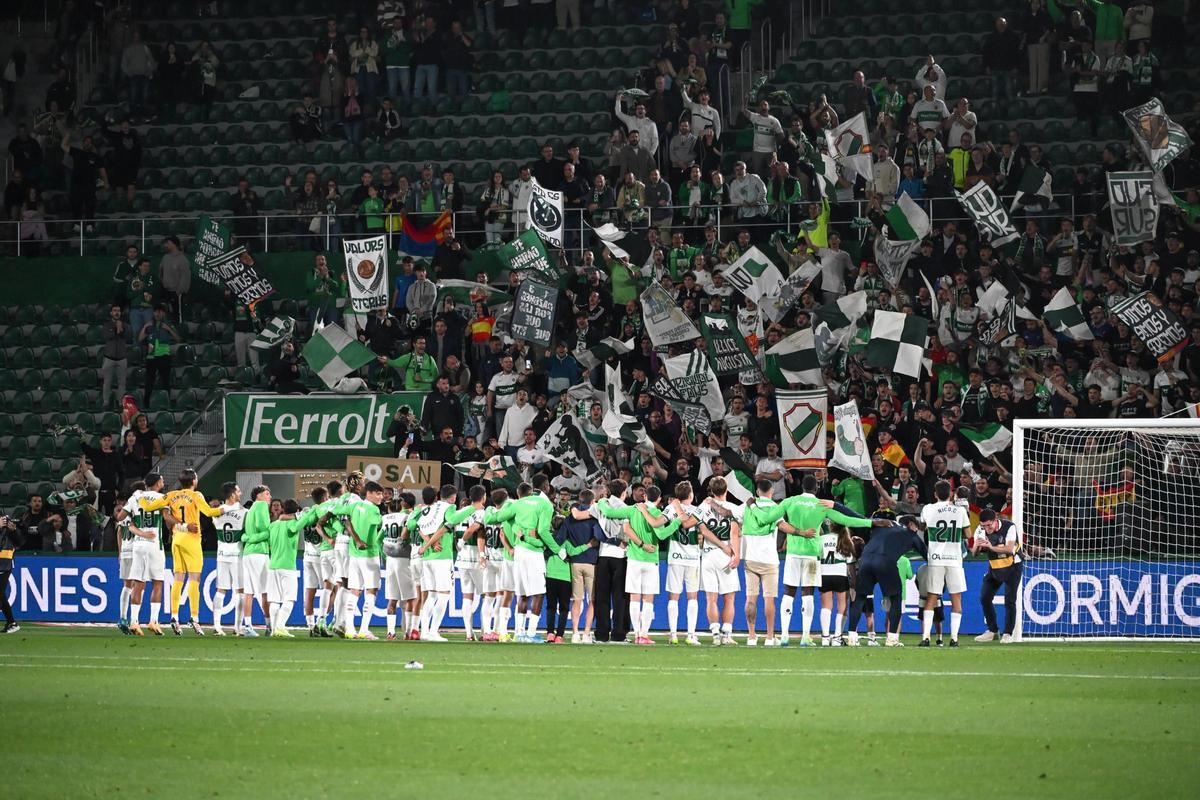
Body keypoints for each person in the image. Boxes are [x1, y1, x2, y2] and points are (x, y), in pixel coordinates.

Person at [138, 468, 222, 636]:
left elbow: (147, 507)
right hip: (191, 540)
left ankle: (174, 617)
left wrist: (139, 496)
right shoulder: (196, 495)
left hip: (177, 539)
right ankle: (194, 618)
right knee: (194, 580)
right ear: (194, 481)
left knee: (178, 579)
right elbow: (209, 512)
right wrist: (227, 509)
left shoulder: (171, 495)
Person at [599, 485, 683, 645]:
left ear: (645, 496)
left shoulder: (632, 509)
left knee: (635, 598)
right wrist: (677, 521)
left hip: (633, 559)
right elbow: (662, 534)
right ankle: (644, 635)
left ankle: (637, 634)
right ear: (659, 499)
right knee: (648, 600)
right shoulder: (657, 513)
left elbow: (609, 513)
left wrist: (603, 500)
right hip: (650, 560)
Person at [845, 510, 928, 647]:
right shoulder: (910, 534)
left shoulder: (880, 525)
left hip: (865, 561)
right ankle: (892, 638)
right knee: (896, 598)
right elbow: (927, 554)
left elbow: (856, 517)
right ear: (911, 524)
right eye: (916, 526)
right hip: (886, 562)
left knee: (859, 597)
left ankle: (852, 637)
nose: (917, 529)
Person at [918, 479, 971, 647]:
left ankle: (926, 637)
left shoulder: (928, 508)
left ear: (935, 494)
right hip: (954, 559)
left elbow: (922, 526)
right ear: (951, 494)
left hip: (936, 559)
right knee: (956, 599)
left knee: (932, 597)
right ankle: (954, 639)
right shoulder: (960, 510)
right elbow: (968, 535)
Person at [126, 473, 171, 636]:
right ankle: (153, 621)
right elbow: (166, 518)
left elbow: (122, 517)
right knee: (157, 583)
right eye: (162, 480)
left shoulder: (136, 497)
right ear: (158, 483)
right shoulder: (162, 498)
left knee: (138, 583)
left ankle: (134, 621)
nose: (163, 482)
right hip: (154, 545)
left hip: (138, 544)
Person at [341, 481, 386, 640]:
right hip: (369, 554)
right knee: (371, 591)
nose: (381, 497)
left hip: (354, 555)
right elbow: (377, 526)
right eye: (378, 493)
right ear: (369, 493)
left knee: (354, 591)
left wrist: (356, 539)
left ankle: (349, 628)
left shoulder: (354, 506)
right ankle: (364, 629)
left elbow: (342, 517)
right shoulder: (374, 509)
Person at [974, 508, 1023, 643]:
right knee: (985, 597)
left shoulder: (1009, 527)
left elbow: (1009, 549)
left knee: (1010, 600)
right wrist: (977, 546)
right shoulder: (980, 530)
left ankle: (1008, 634)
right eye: (983, 526)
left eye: (989, 525)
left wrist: (990, 547)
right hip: (995, 566)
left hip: (1013, 566)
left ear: (996, 520)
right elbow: (974, 554)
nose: (987, 529)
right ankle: (993, 631)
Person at [238, 485, 274, 637]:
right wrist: (266, 532)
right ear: (258, 496)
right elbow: (265, 529)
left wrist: (247, 538)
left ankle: (248, 626)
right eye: (267, 494)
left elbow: (246, 533)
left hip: (247, 554)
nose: (269, 497)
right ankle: (269, 626)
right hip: (259, 553)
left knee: (249, 592)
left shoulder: (251, 509)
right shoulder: (261, 506)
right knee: (265, 591)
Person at [212, 482, 246, 636]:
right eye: (238, 491)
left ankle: (217, 625)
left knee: (221, 590)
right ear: (232, 495)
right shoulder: (244, 512)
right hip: (237, 555)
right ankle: (237, 627)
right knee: (240, 591)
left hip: (221, 554)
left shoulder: (216, 512)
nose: (240, 493)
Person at [381, 492, 415, 641]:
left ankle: (391, 632)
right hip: (404, 559)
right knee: (410, 598)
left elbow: (379, 539)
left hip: (390, 559)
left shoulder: (385, 518)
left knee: (392, 599)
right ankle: (408, 632)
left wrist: (384, 554)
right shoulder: (407, 517)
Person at [1, 514, 22, 632]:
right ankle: (11, 622)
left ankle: (12, 622)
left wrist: (14, 531)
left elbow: (19, 542)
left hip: (5, 565)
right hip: (4, 563)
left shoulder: (9, 531)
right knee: (1, 595)